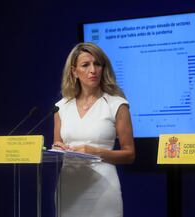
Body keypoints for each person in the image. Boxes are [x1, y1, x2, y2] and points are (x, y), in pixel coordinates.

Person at [53, 42, 135, 217]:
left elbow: (129, 154)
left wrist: (93, 152)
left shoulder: (117, 104)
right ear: (74, 71)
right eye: (85, 65)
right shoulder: (61, 107)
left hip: (103, 190)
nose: (93, 70)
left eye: (97, 64)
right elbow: (57, 146)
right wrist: (58, 148)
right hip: (69, 189)